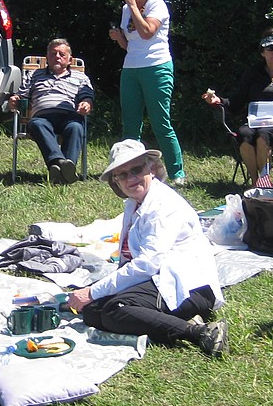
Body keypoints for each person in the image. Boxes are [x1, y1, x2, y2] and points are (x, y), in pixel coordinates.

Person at [65, 141, 225, 356]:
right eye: (122, 175)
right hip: (157, 279)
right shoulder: (135, 203)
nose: (130, 178)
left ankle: (199, 332)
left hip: (190, 287)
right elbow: (129, 261)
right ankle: (169, 319)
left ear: (151, 168)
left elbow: (148, 264)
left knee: (116, 310)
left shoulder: (163, 206)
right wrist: (93, 295)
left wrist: (93, 291)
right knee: (93, 312)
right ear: (116, 182)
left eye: (136, 170)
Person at [202, 29, 273, 185]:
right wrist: (217, 100)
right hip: (256, 120)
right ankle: (256, 184)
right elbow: (235, 102)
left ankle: (264, 182)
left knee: (263, 135)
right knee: (244, 133)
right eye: (271, 48)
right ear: (262, 52)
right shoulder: (253, 73)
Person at [108, 0, 186, 184]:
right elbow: (130, 45)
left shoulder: (156, 5)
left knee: (160, 122)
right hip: (131, 67)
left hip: (157, 67)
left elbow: (147, 32)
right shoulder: (126, 10)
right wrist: (118, 37)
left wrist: (133, 7)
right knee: (130, 122)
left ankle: (177, 172)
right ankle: (129, 170)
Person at [6, 38, 94, 184]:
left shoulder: (80, 77)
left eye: (61, 54)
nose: (57, 57)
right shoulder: (34, 75)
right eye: (53, 54)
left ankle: (62, 168)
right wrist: (14, 100)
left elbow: (87, 96)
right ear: (47, 57)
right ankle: (63, 165)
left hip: (69, 117)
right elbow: (21, 95)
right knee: (36, 124)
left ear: (69, 59)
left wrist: (86, 104)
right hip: (43, 117)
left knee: (76, 127)